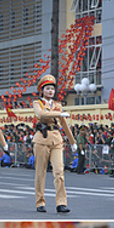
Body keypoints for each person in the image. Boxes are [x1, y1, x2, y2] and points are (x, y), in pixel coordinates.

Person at [32, 75, 72, 213]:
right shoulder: (38, 103)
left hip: (56, 139)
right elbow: (41, 115)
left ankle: (61, 203)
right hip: (41, 140)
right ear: (42, 90)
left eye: (52, 89)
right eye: (47, 89)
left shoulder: (58, 105)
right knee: (40, 173)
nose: (50, 91)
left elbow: (65, 125)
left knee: (59, 171)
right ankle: (40, 202)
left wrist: (72, 142)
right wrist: (58, 113)